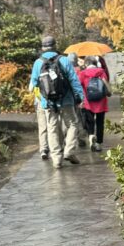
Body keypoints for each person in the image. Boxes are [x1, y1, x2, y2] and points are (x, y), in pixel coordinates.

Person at [29, 35, 84, 169]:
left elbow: (33, 85)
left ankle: (57, 159)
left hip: (47, 102)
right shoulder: (64, 60)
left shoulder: (38, 63)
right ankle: (69, 151)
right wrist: (80, 96)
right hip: (66, 100)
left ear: (43, 48)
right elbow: (73, 80)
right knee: (72, 124)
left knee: (52, 128)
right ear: (55, 46)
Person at [79, 55, 111, 152]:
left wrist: (80, 100)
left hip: (88, 102)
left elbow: (79, 86)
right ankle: (99, 143)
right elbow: (106, 83)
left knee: (90, 121)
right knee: (100, 122)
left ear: (86, 63)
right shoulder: (101, 72)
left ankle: (91, 135)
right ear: (95, 63)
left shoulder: (83, 73)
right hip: (101, 101)